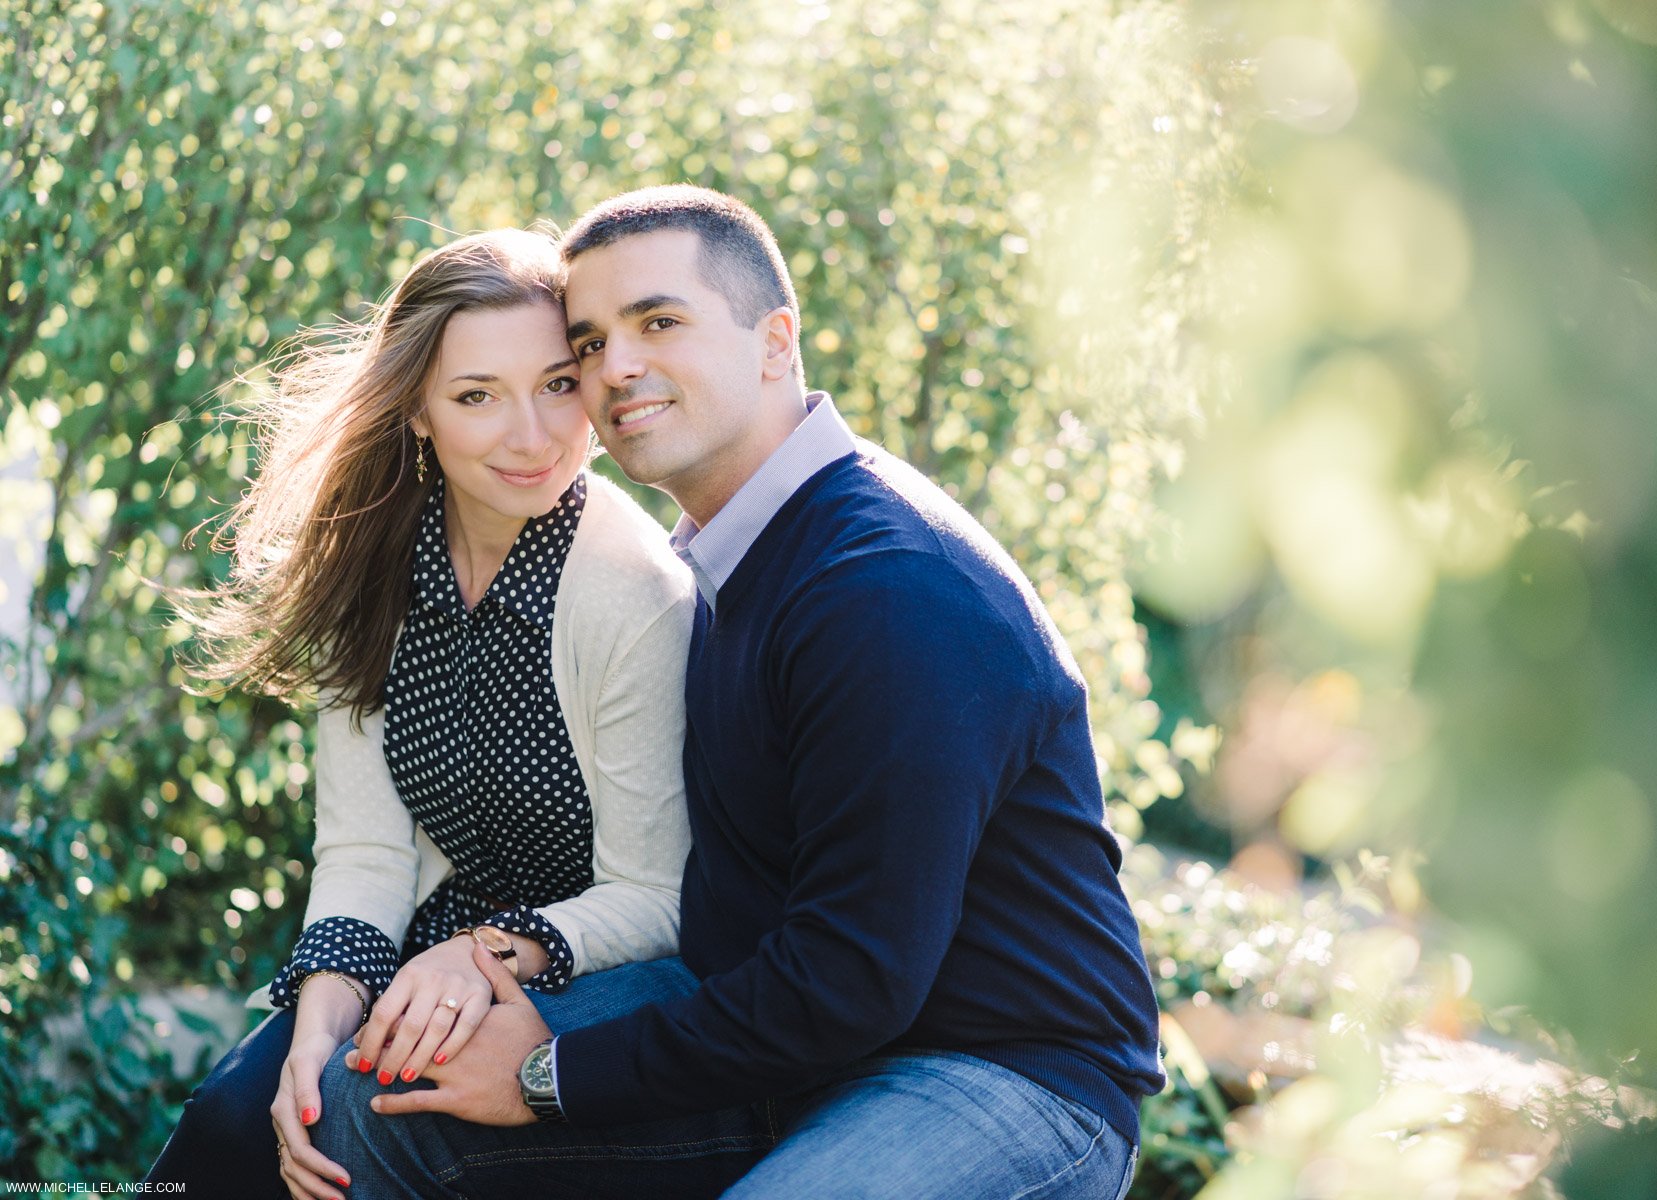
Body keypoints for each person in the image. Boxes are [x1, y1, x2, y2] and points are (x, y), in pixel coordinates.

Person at [313, 186, 1166, 1199]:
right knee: (387, 1110)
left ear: (775, 343)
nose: (615, 368)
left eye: (659, 323)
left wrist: (549, 1072)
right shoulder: (732, 556)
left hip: (999, 1074)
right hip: (782, 1043)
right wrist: (506, 981)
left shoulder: (888, 590)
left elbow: (854, 978)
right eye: (588, 343)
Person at [146, 229, 763, 1199]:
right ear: (420, 412)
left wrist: (481, 957)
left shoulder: (634, 594)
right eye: (478, 396)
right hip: (425, 953)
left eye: (560, 385)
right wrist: (317, 1020)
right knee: (237, 1120)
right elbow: (368, 852)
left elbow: (653, 896)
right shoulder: (378, 566)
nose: (533, 435)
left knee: (365, 1118)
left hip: (592, 971)